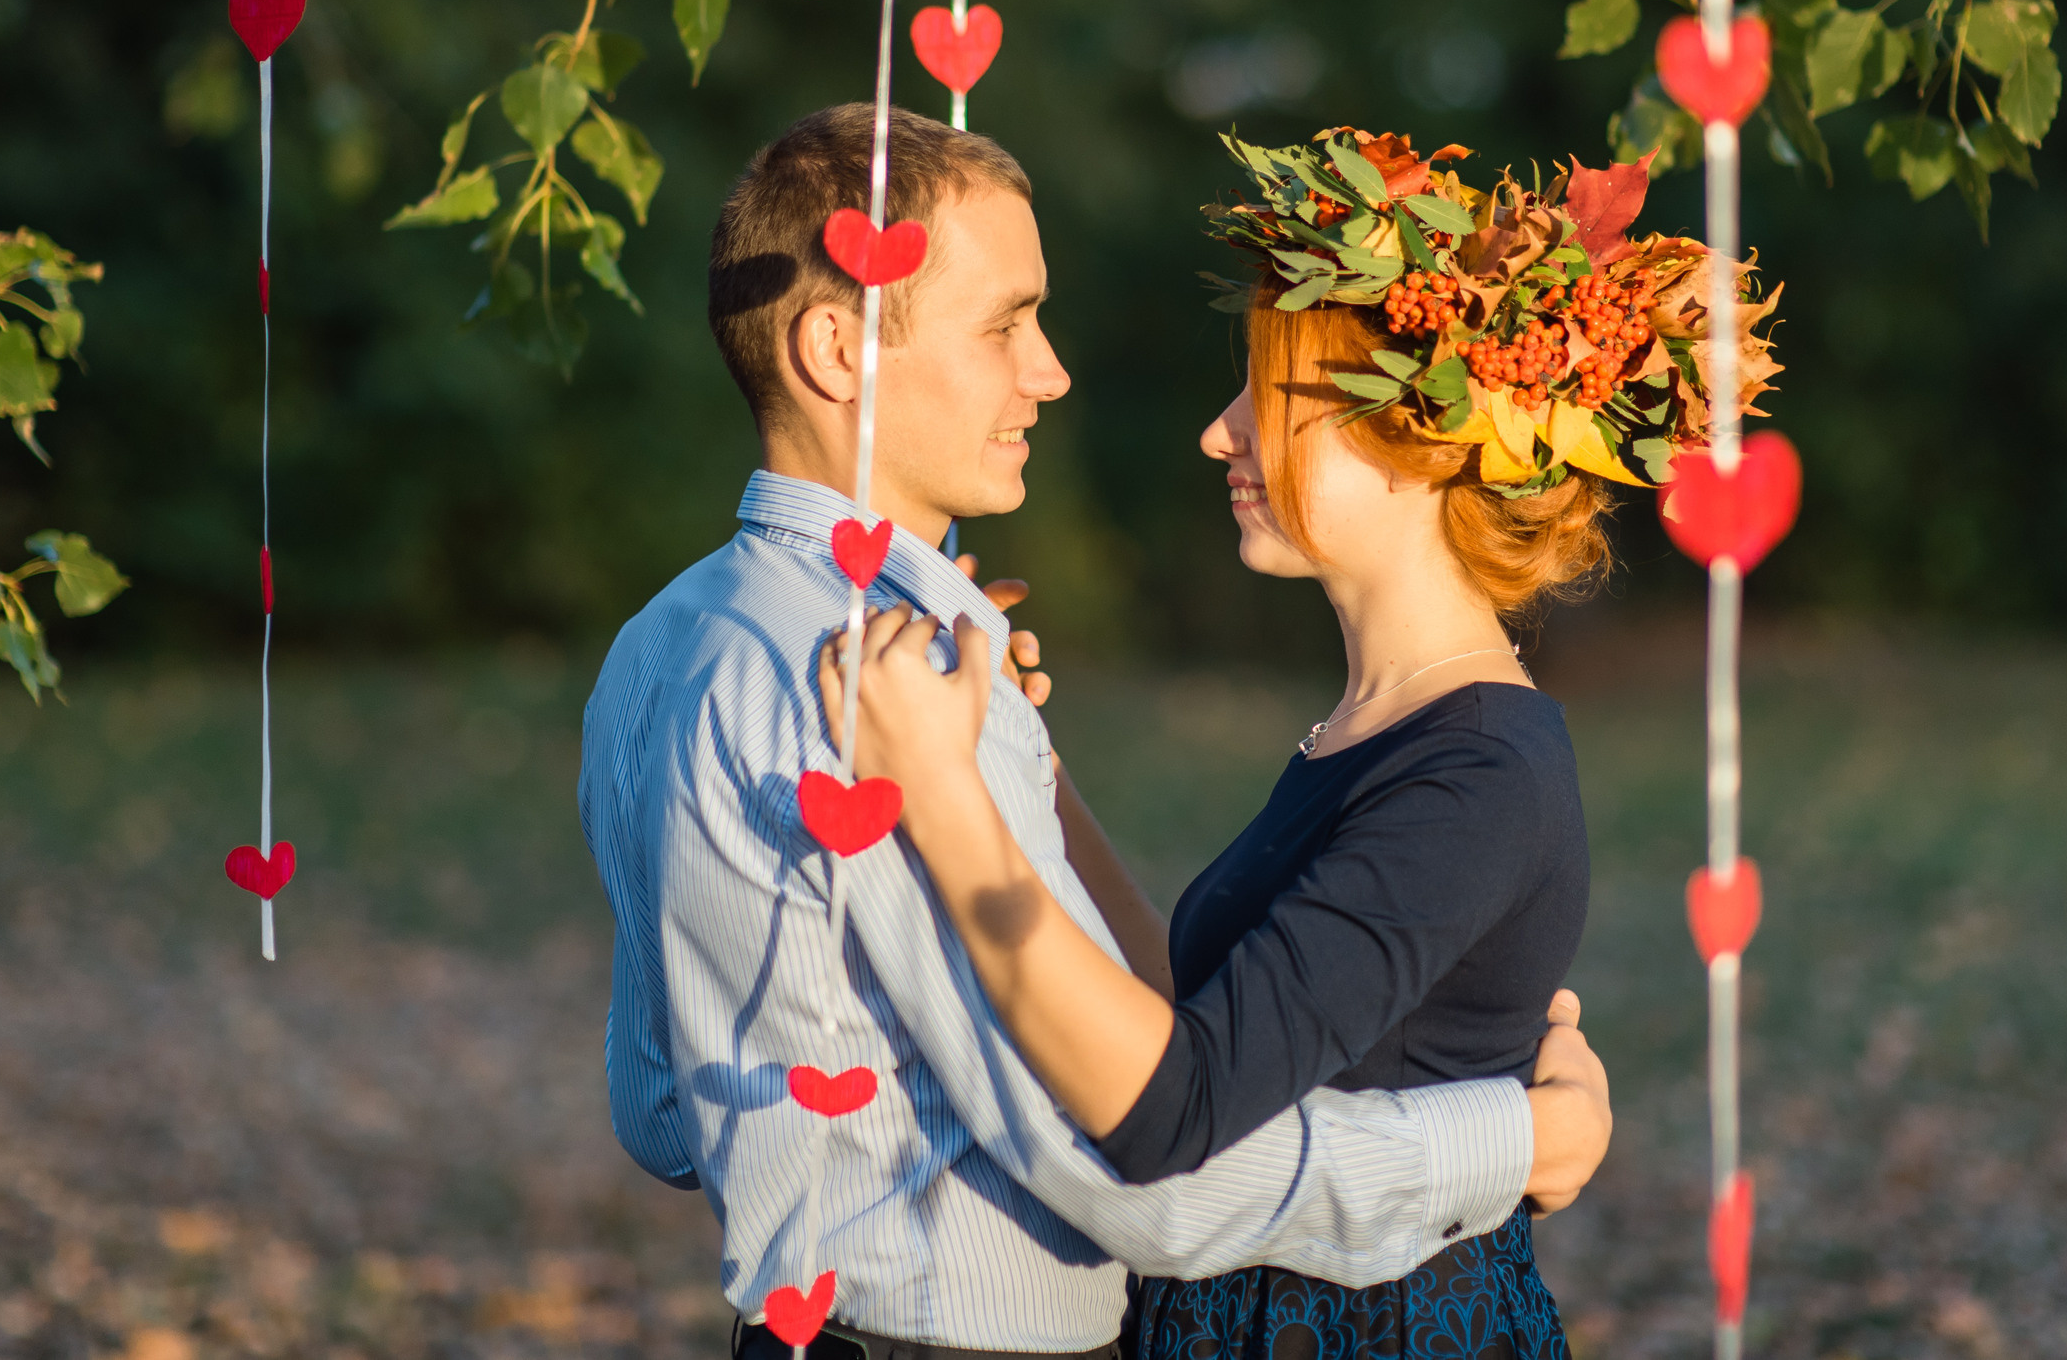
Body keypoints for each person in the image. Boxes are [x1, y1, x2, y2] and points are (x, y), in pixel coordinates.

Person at [576, 104, 1617, 1360]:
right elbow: (1146, 1174)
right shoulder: (885, 692)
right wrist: (1514, 1138)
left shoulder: (663, 643)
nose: (1050, 370)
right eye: (1005, 323)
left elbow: (661, 1114)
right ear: (837, 350)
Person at [828, 128, 1783, 1357]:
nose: (1218, 436)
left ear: (1423, 439)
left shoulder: (1478, 775)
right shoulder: (1372, 731)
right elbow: (1181, 1016)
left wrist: (940, 795)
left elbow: (1172, 1113)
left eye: (1270, 401)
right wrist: (1020, 753)